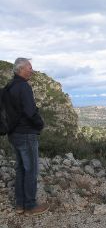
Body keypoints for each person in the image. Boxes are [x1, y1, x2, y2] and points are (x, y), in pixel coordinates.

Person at [7, 58, 49, 215]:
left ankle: (19, 205)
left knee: (20, 169)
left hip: (14, 134)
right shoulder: (24, 87)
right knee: (30, 170)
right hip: (26, 134)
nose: (32, 70)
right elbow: (31, 112)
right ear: (21, 69)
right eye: (30, 68)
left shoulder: (10, 86)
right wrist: (40, 124)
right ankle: (30, 206)